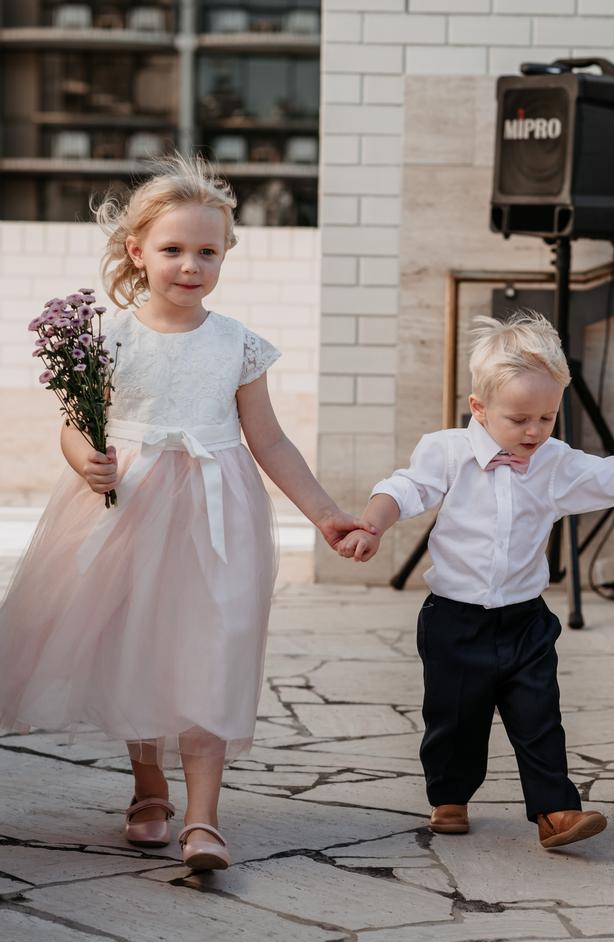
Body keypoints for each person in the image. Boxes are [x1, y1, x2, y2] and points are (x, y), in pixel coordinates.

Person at [0, 154, 373, 871]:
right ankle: (149, 784)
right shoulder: (108, 337)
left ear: (225, 253)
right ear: (138, 251)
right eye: (173, 249)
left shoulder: (237, 344)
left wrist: (326, 514)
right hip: (129, 509)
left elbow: (268, 439)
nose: (190, 265)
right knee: (139, 643)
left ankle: (205, 818)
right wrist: (85, 460)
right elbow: (78, 423)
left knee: (212, 647)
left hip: (216, 514)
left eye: (207, 250)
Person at [337, 312, 614, 849]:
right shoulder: (447, 451)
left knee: (539, 716)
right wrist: (373, 524)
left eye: (547, 418)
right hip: (454, 619)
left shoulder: (553, 463)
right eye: (520, 418)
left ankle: (556, 812)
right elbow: (406, 488)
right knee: (455, 719)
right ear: (478, 409)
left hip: (525, 620)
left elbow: (613, 475)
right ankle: (450, 797)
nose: (534, 431)